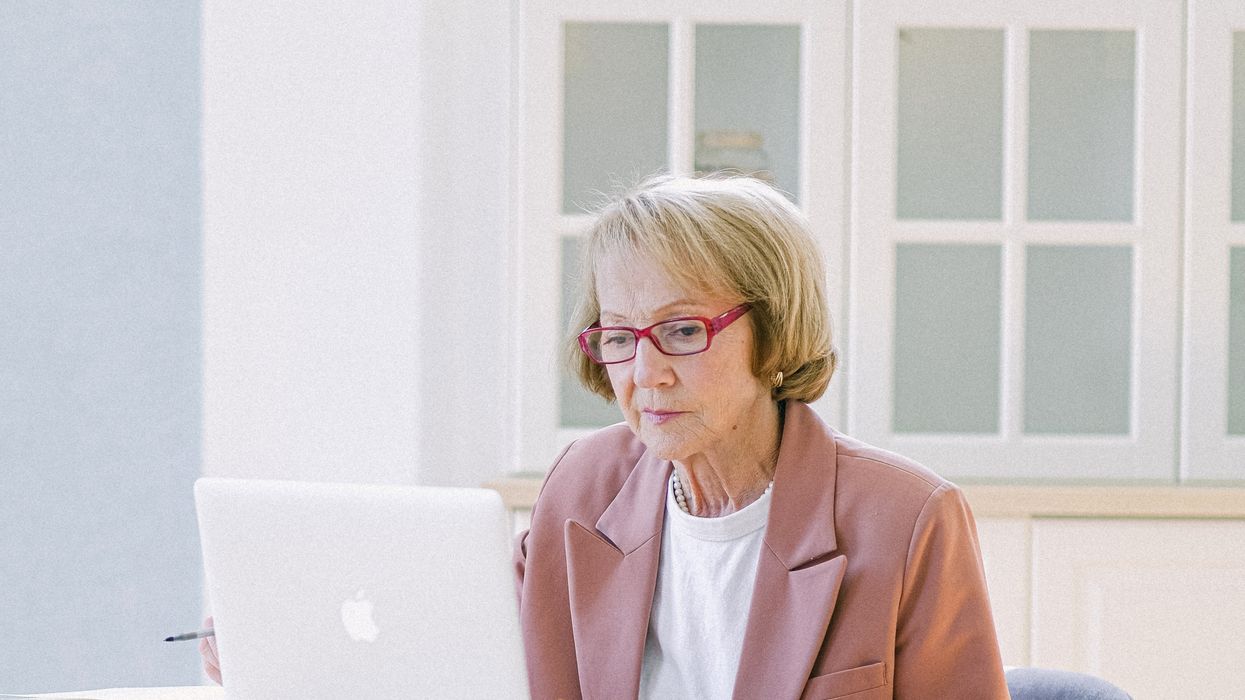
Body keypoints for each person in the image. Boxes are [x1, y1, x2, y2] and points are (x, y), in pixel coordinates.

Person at [202, 174, 1009, 698]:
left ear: (774, 333)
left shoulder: (903, 519)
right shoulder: (581, 489)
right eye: (619, 335)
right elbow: (474, 661)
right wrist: (280, 652)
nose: (644, 372)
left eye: (683, 331)